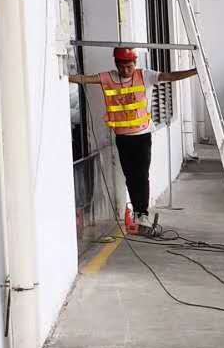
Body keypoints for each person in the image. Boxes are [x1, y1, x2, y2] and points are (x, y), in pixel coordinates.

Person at [69, 47, 196, 233]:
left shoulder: (144, 75)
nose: (126, 70)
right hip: (122, 137)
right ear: (116, 64)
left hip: (142, 136)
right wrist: (64, 76)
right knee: (130, 176)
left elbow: (169, 76)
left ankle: (142, 214)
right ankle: (138, 213)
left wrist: (195, 71)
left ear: (135, 63)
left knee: (141, 175)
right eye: (122, 66)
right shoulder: (108, 77)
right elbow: (85, 79)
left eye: (129, 66)